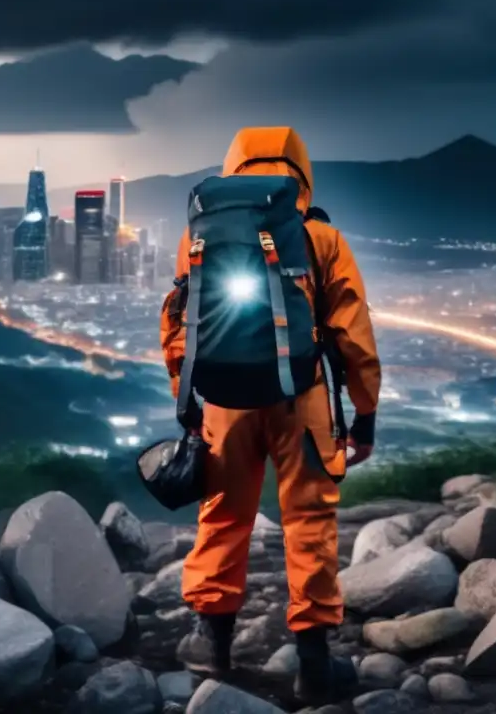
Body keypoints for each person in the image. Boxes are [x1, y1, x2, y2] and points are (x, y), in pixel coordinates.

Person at [159, 126, 381, 704]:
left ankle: (214, 649)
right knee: (309, 523)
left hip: (225, 404)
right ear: (303, 174)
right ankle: (313, 666)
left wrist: (186, 400)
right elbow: (353, 334)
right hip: (301, 402)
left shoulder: (197, 234)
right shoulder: (321, 238)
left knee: (223, 517)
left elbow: (178, 323)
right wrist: (364, 415)